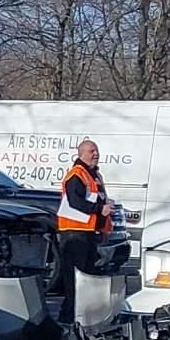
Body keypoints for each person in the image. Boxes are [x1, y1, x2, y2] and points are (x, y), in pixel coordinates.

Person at [53, 139, 115, 327]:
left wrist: (102, 228)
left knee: (85, 279)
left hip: (88, 232)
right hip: (74, 233)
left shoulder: (94, 174)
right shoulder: (77, 174)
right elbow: (75, 202)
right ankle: (69, 320)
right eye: (91, 151)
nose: (95, 154)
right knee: (76, 280)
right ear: (80, 154)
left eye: (96, 150)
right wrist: (98, 209)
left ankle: (72, 318)